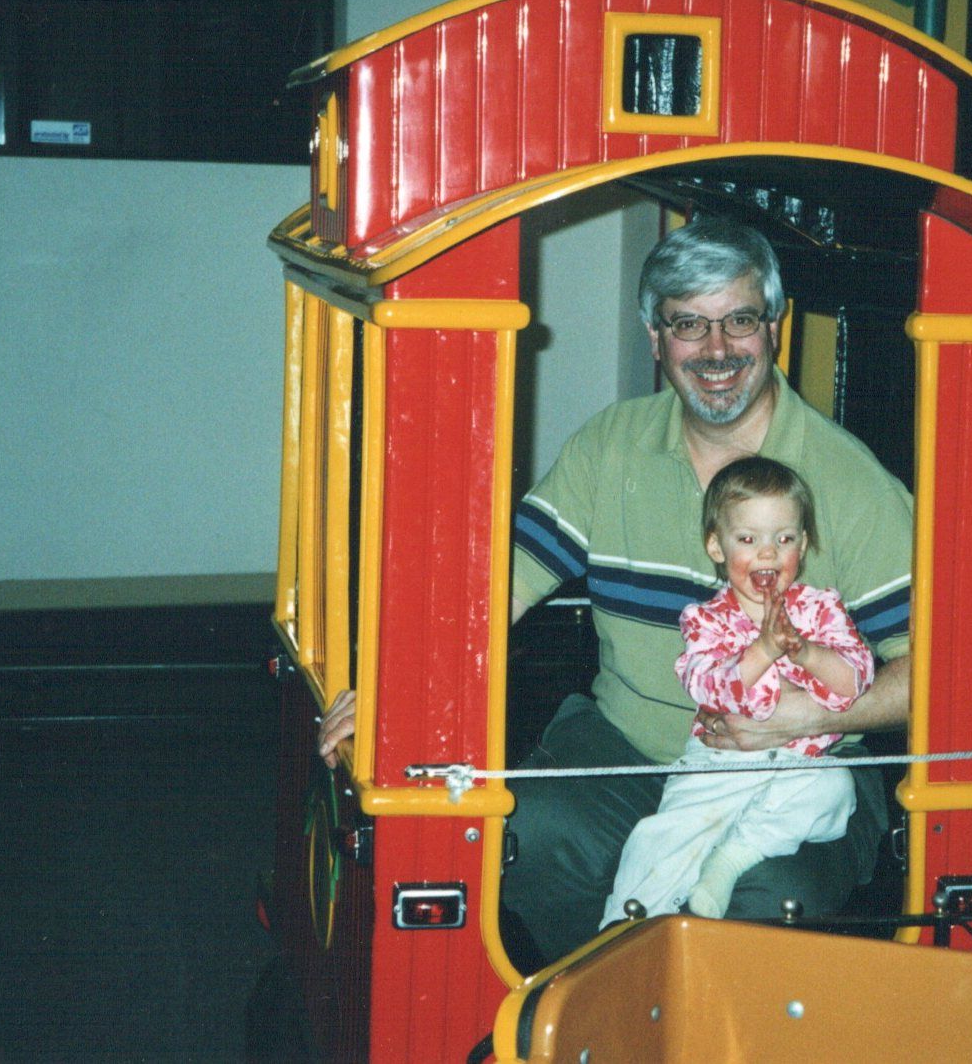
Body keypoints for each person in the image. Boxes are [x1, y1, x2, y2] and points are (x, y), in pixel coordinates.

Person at [318, 216, 913, 966]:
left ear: (775, 326)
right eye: (688, 325)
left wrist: (810, 712)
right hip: (627, 746)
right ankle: (606, 1001)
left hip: (794, 769)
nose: (718, 350)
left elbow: (934, 671)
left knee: (759, 897)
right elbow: (492, 592)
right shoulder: (610, 447)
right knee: (526, 833)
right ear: (654, 337)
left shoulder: (851, 482)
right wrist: (387, 690)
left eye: (739, 320)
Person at [600, 456, 873, 927]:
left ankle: (731, 859)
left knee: (836, 789)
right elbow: (707, 683)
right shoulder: (704, 618)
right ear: (717, 546)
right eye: (748, 539)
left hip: (798, 765)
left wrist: (805, 652)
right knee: (661, 838)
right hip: (719, 764)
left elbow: (856, 677)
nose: (767, 553)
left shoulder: (821, 609)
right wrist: (765, 649)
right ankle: (622, 935)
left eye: (783, 539)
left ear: (803, 546)